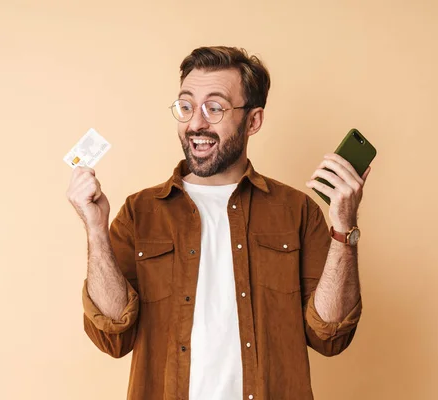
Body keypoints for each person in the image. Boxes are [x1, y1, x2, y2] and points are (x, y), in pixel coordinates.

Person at [66, 46, 371, 400]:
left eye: (214, 108)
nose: (196, 122)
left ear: (253, 121)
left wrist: (344, 228)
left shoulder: (295, 210)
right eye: (186, 106)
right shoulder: (140, 212)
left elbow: (330, 335)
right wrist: (95, 229)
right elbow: (113, 335)